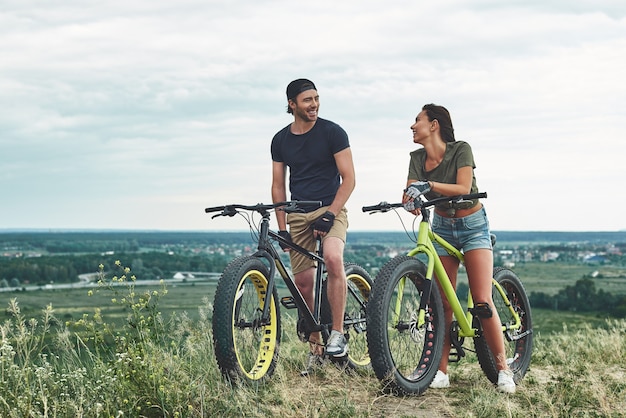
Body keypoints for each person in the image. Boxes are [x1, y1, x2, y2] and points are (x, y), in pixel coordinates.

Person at [402, 103, 516, 394]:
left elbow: (464, 187)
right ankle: (440, 371)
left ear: (434, 125)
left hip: (472, 225)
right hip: (441, 226)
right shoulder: (416, 157)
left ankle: (503, 369)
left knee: (481, 299)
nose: (413, 126)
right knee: (441, 302)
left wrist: (427, 185)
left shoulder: (460, 149)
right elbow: (410, 190)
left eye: (418, 121)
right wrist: (410, 201)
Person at [270, 78, 356, 373]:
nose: (314, 104)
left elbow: (349, 179)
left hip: (330, 209)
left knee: (333, 259)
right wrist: (282, 226)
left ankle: (338, 334)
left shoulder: (333, 132)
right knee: (304, 284)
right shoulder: (280, 140)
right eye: (307, 100)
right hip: (298, 214)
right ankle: (316, 347)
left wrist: (330, 213)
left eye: (317, 98)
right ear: (292, 104)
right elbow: (278, 186)